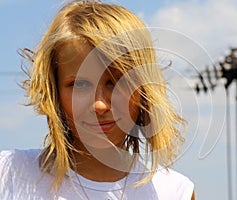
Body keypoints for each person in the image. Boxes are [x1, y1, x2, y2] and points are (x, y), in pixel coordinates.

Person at [0, 1, 195, 199]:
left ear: (144, 88)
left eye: (118, 83)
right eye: (79, 85)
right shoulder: (10, 175)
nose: (99, 105)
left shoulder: (174, 191)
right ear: (54, 92)